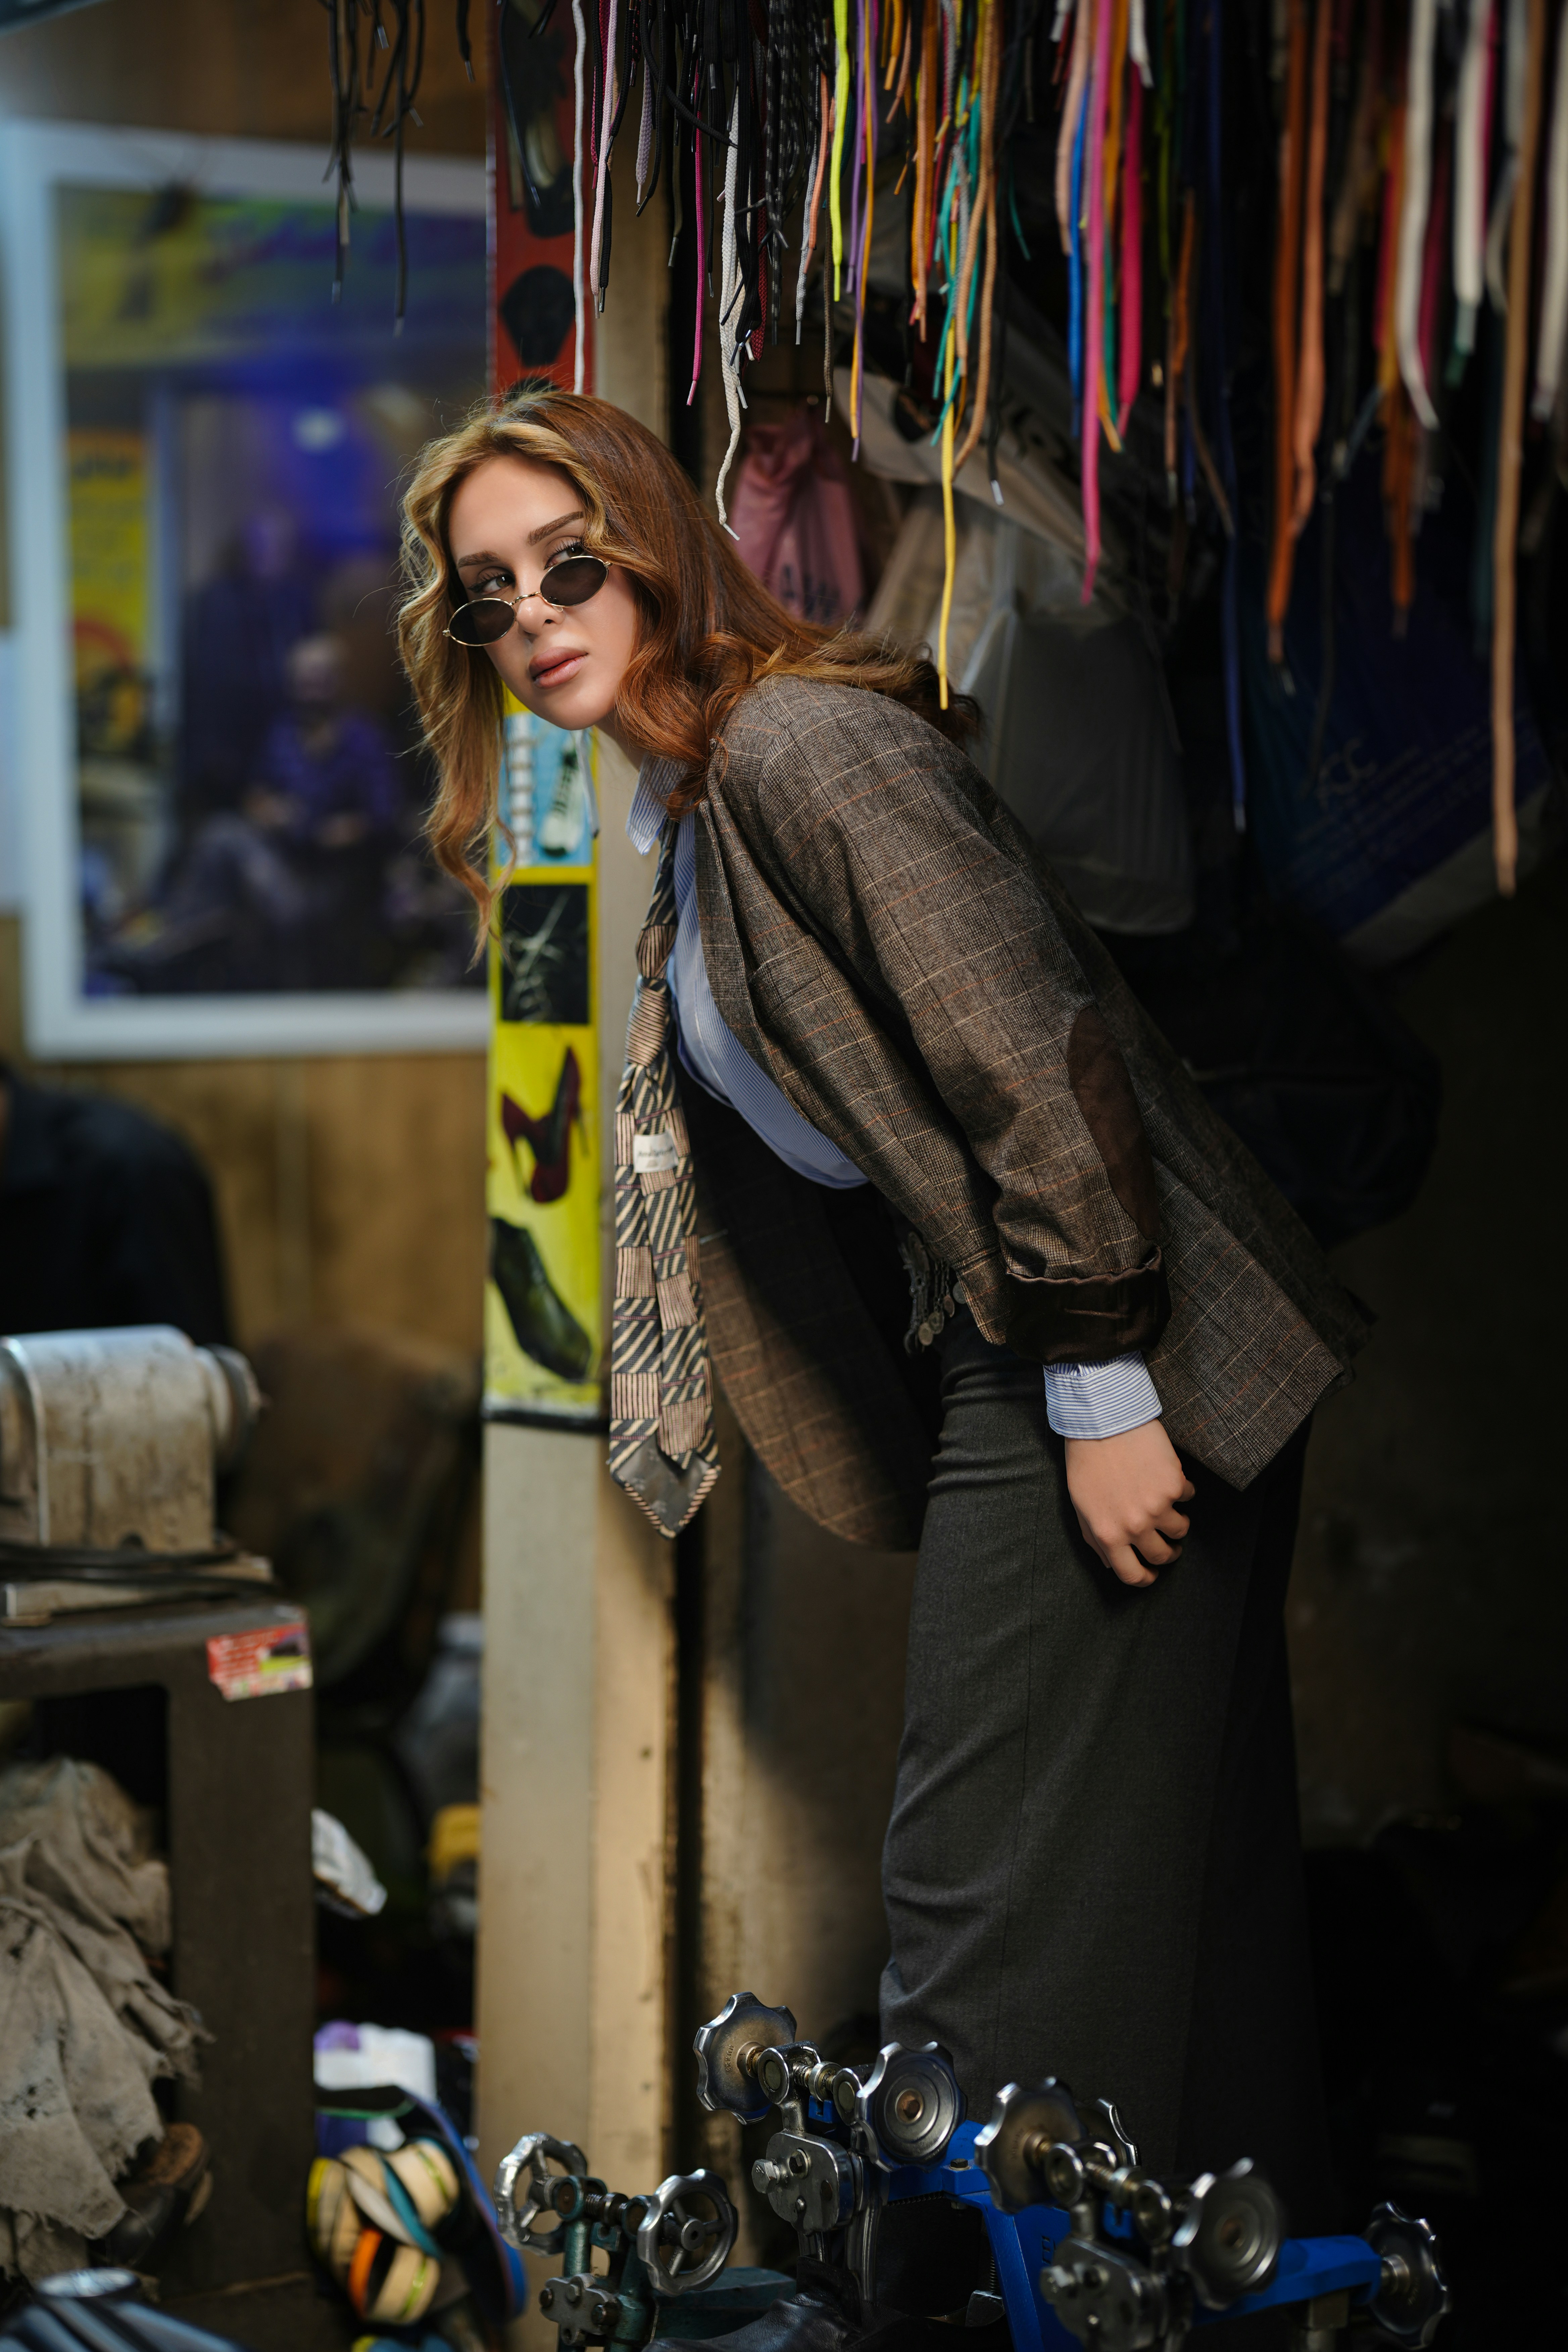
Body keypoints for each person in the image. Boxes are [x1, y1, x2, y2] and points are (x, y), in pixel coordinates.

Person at [395, 393, 1369, 2280]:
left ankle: (955, 2311)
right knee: (1206, 1944)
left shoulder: (803, 753)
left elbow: (1031, 1053)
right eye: (488, 596)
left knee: (983, 1925)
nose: (530, 616)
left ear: (663, 546)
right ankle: (1276, 2302)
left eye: (570, 564)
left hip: (1099, 1347)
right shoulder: (696, 808)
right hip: (1045, 1345)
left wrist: (1097, 1393)